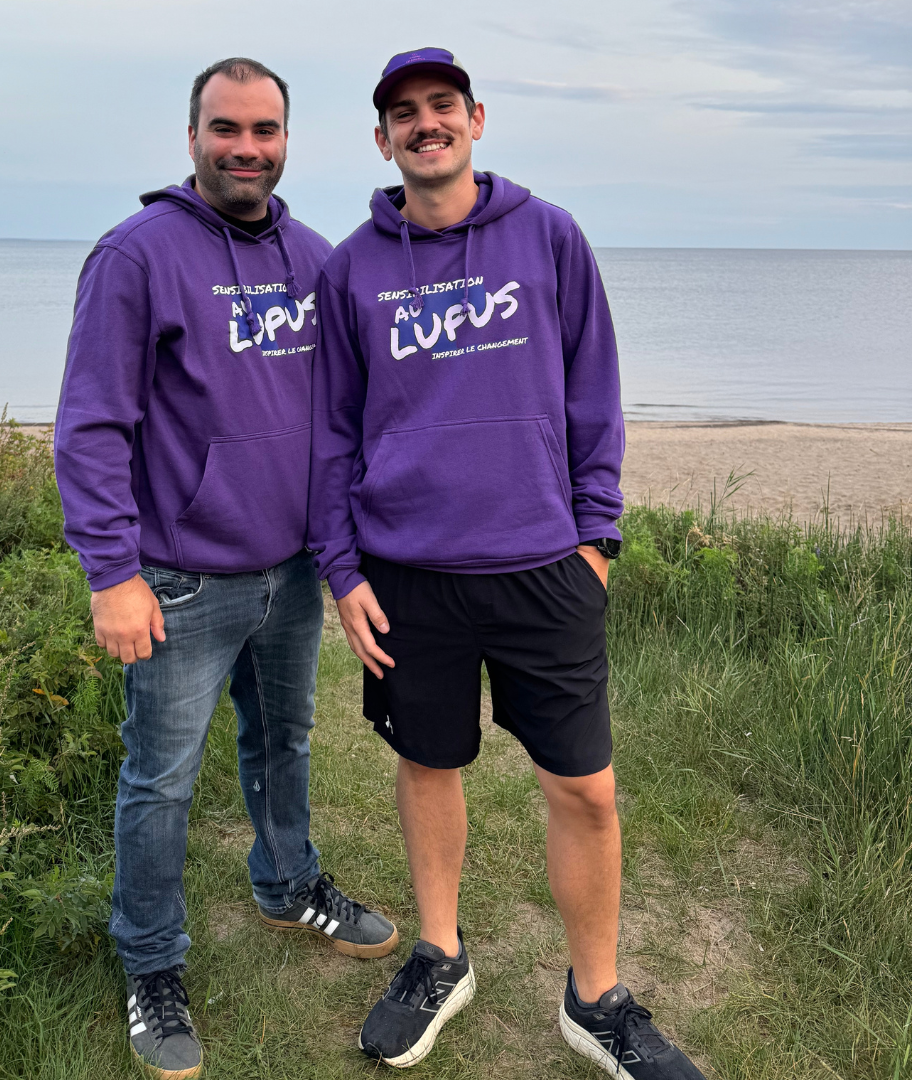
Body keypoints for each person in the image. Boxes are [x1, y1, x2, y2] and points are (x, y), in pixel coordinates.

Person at [309, 47, 707, 1078]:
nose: (424, 123)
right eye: (404, 112)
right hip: (407, 575)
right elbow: (331, 434)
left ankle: (597, 1000)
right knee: (427, 763)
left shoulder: (549, 237)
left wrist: (596, 538)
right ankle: (441, 956)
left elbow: (594, 393)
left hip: (543, 568)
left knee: (583, 788)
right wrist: (343, 570)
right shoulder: (352, 266)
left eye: (443, 105)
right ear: (383, 138)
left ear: (477, 120)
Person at [54, 57, 397, 1080]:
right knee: (160, 781)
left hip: (291, 571)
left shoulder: (317, 257)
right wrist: (110, 572)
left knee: (283, 742)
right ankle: (151, 964)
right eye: (226, 128)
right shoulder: (137, 256)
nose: (246, 147)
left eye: (265, 129)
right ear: (193, 135)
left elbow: (340, 419)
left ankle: (288, 884)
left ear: (287, 138)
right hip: (180, 580)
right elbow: (90, 425)